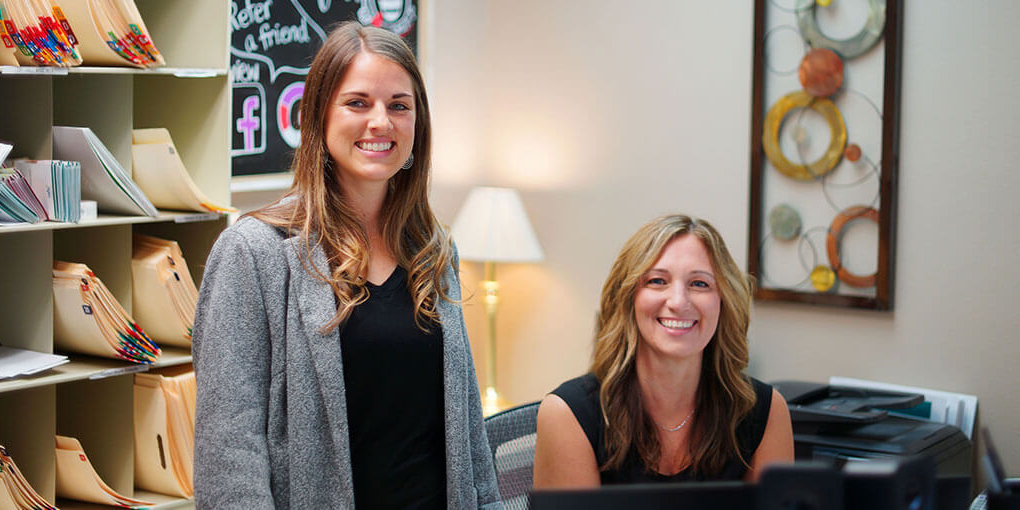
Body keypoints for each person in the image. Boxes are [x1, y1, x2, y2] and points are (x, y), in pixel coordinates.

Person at [191, 22, 501, 509]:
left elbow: (465, 427)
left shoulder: (434, 250)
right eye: (358, 103)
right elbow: (229, 457)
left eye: (399, 105)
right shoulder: (254, 253)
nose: (381, 121)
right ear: (317, 116)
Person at [533, 214, 794, 487]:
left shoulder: (765, 410)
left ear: (723, 302)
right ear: (628, 298)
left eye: (699, 284)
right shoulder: (568, 414)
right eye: (657, 281)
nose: (679, 302)